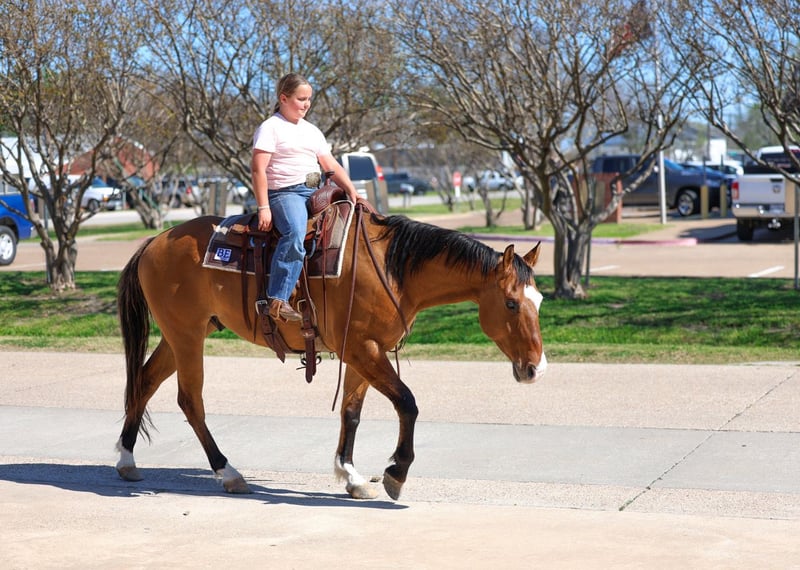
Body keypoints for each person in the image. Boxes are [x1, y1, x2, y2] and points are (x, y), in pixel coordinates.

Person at [251, 73, 359, 322]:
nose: (306, 104)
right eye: (301, 99)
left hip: (314, 191)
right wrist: (264, 207)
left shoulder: (312, 131)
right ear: (283, 98)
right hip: (284, 193)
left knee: (352, 225)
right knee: (295, 232)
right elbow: (258, 169)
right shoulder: (270, 128)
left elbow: (330, 164)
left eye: (309, 99)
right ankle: (277, 299)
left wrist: (351, 190)